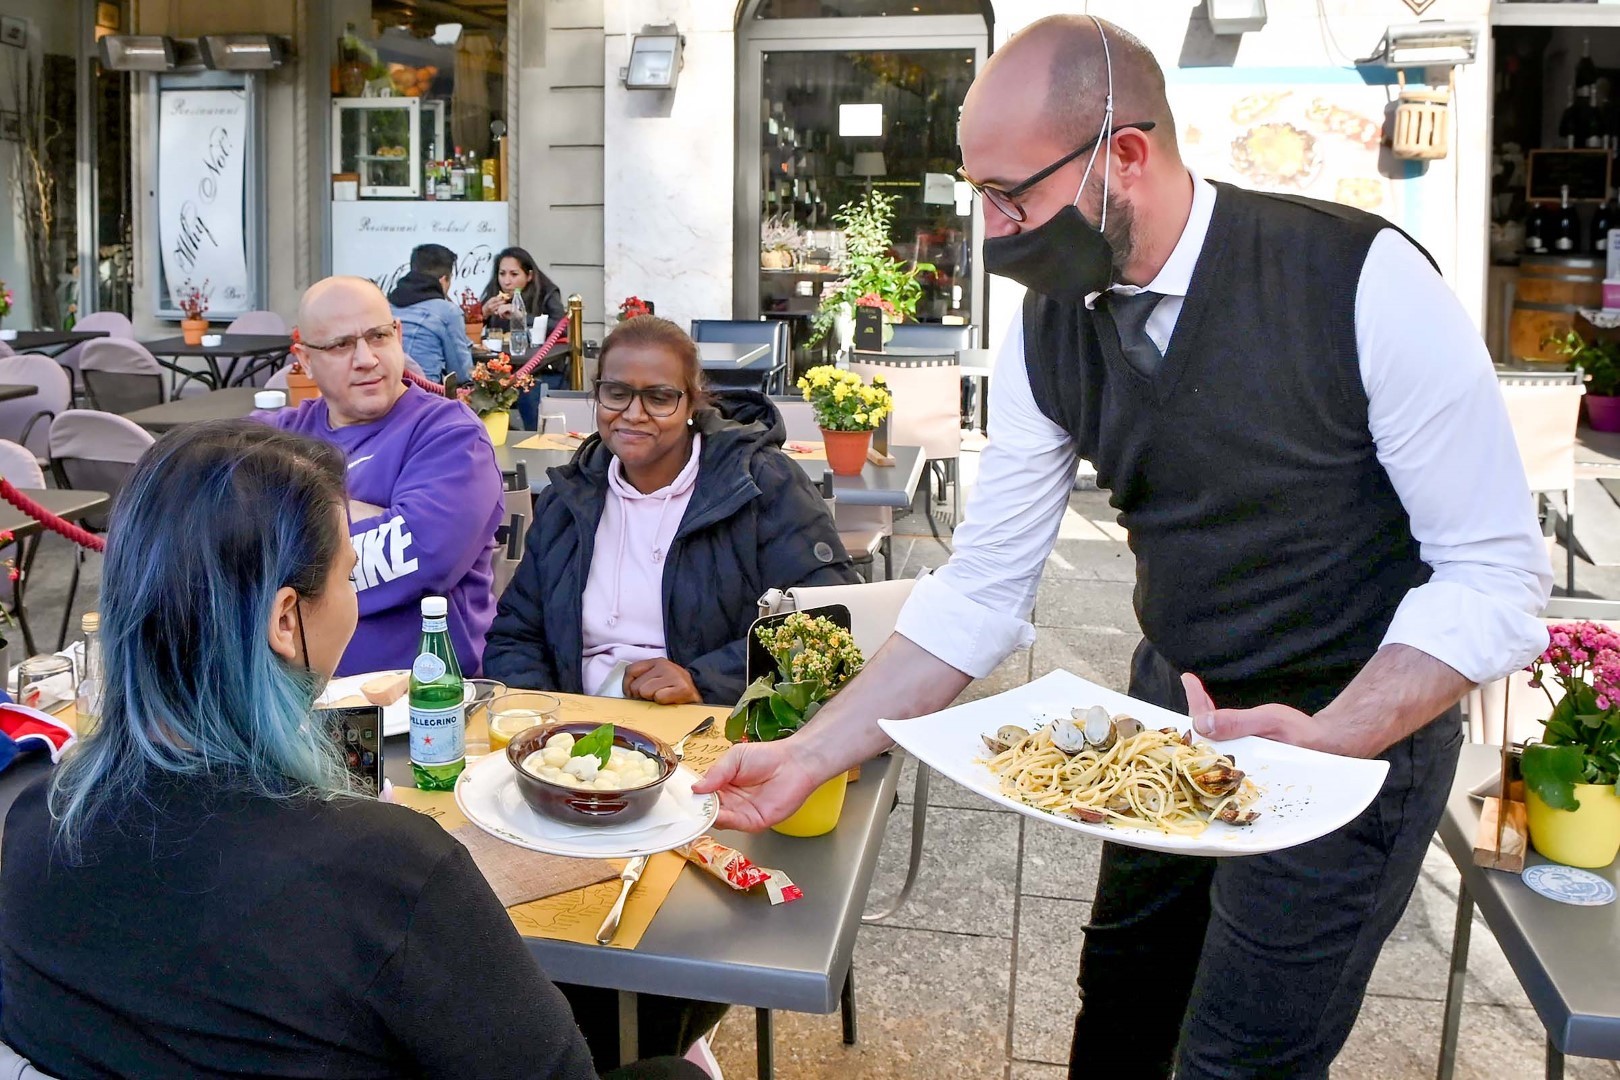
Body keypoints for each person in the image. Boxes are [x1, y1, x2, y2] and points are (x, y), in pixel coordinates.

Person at [695, 16, 1552, 1080]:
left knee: (1240, 1060)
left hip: (1354, 731)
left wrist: (1335, 737)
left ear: (1126, 155)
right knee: (1121, 1011)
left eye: (1015, 196)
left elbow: (1495, 577)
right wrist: (808, 752)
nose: (997, 233)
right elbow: (984, 590)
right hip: (1172, 719)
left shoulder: (1359, 281)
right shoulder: (1050, 332)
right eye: (982, 199)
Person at [0, 421, 702, 1080]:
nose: (355, 594)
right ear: (285, 619)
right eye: (346, 574)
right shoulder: (388, 870)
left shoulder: (37, 819)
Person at [485, 313, 856, 707]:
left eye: (659, 398)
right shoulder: (571, 495)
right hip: (577, 736)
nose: (633, 413)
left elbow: (831, 619)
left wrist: (705, 681)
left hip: (708, 728)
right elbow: (515, 633)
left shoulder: (759, 484)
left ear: (691, 402)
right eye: (616, 393)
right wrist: (545, 719)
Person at [269, 275, 503, 678]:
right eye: (341, 345)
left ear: (397, 334)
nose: (366, 358)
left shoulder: (451, 435)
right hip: (289, 710)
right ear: (304, 358)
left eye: (377, 336)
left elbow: (420, 553)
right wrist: (363, 513)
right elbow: (199, 520)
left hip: (424, 705)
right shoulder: (275, 437)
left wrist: (285, 528)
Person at [480, 247, 570, 425]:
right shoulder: (494, 293)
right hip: (502, 368)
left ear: (529, 275)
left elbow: (562, 327)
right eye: (502, 274)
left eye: (514, 274)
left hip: (542, 368)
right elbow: (469, 331)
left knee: (530, 395)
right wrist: (482, 313)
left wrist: (523, 317)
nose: (507, 281)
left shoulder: (546, 293)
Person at [388, 243, 474, 383]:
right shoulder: (447, 311)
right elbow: (462, 374)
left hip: (388, 389)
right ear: (443, 280)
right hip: (426, 394)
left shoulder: (386, 304)